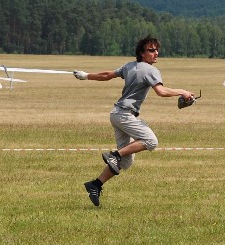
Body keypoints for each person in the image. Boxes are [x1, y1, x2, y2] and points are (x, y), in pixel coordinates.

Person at [74, 36, 195, 207]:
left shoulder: (129, 66)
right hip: (124, 115)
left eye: (157, 50)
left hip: (116, 114)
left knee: (126, 161)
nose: (156, 53)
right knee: (151, 141)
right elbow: (161, 91)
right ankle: (114, 155)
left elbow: (107, 75)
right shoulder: (151, 70)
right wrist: (182, 91)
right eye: (151, 50)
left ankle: (95, 185)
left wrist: (86, 76)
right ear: (142, 53)